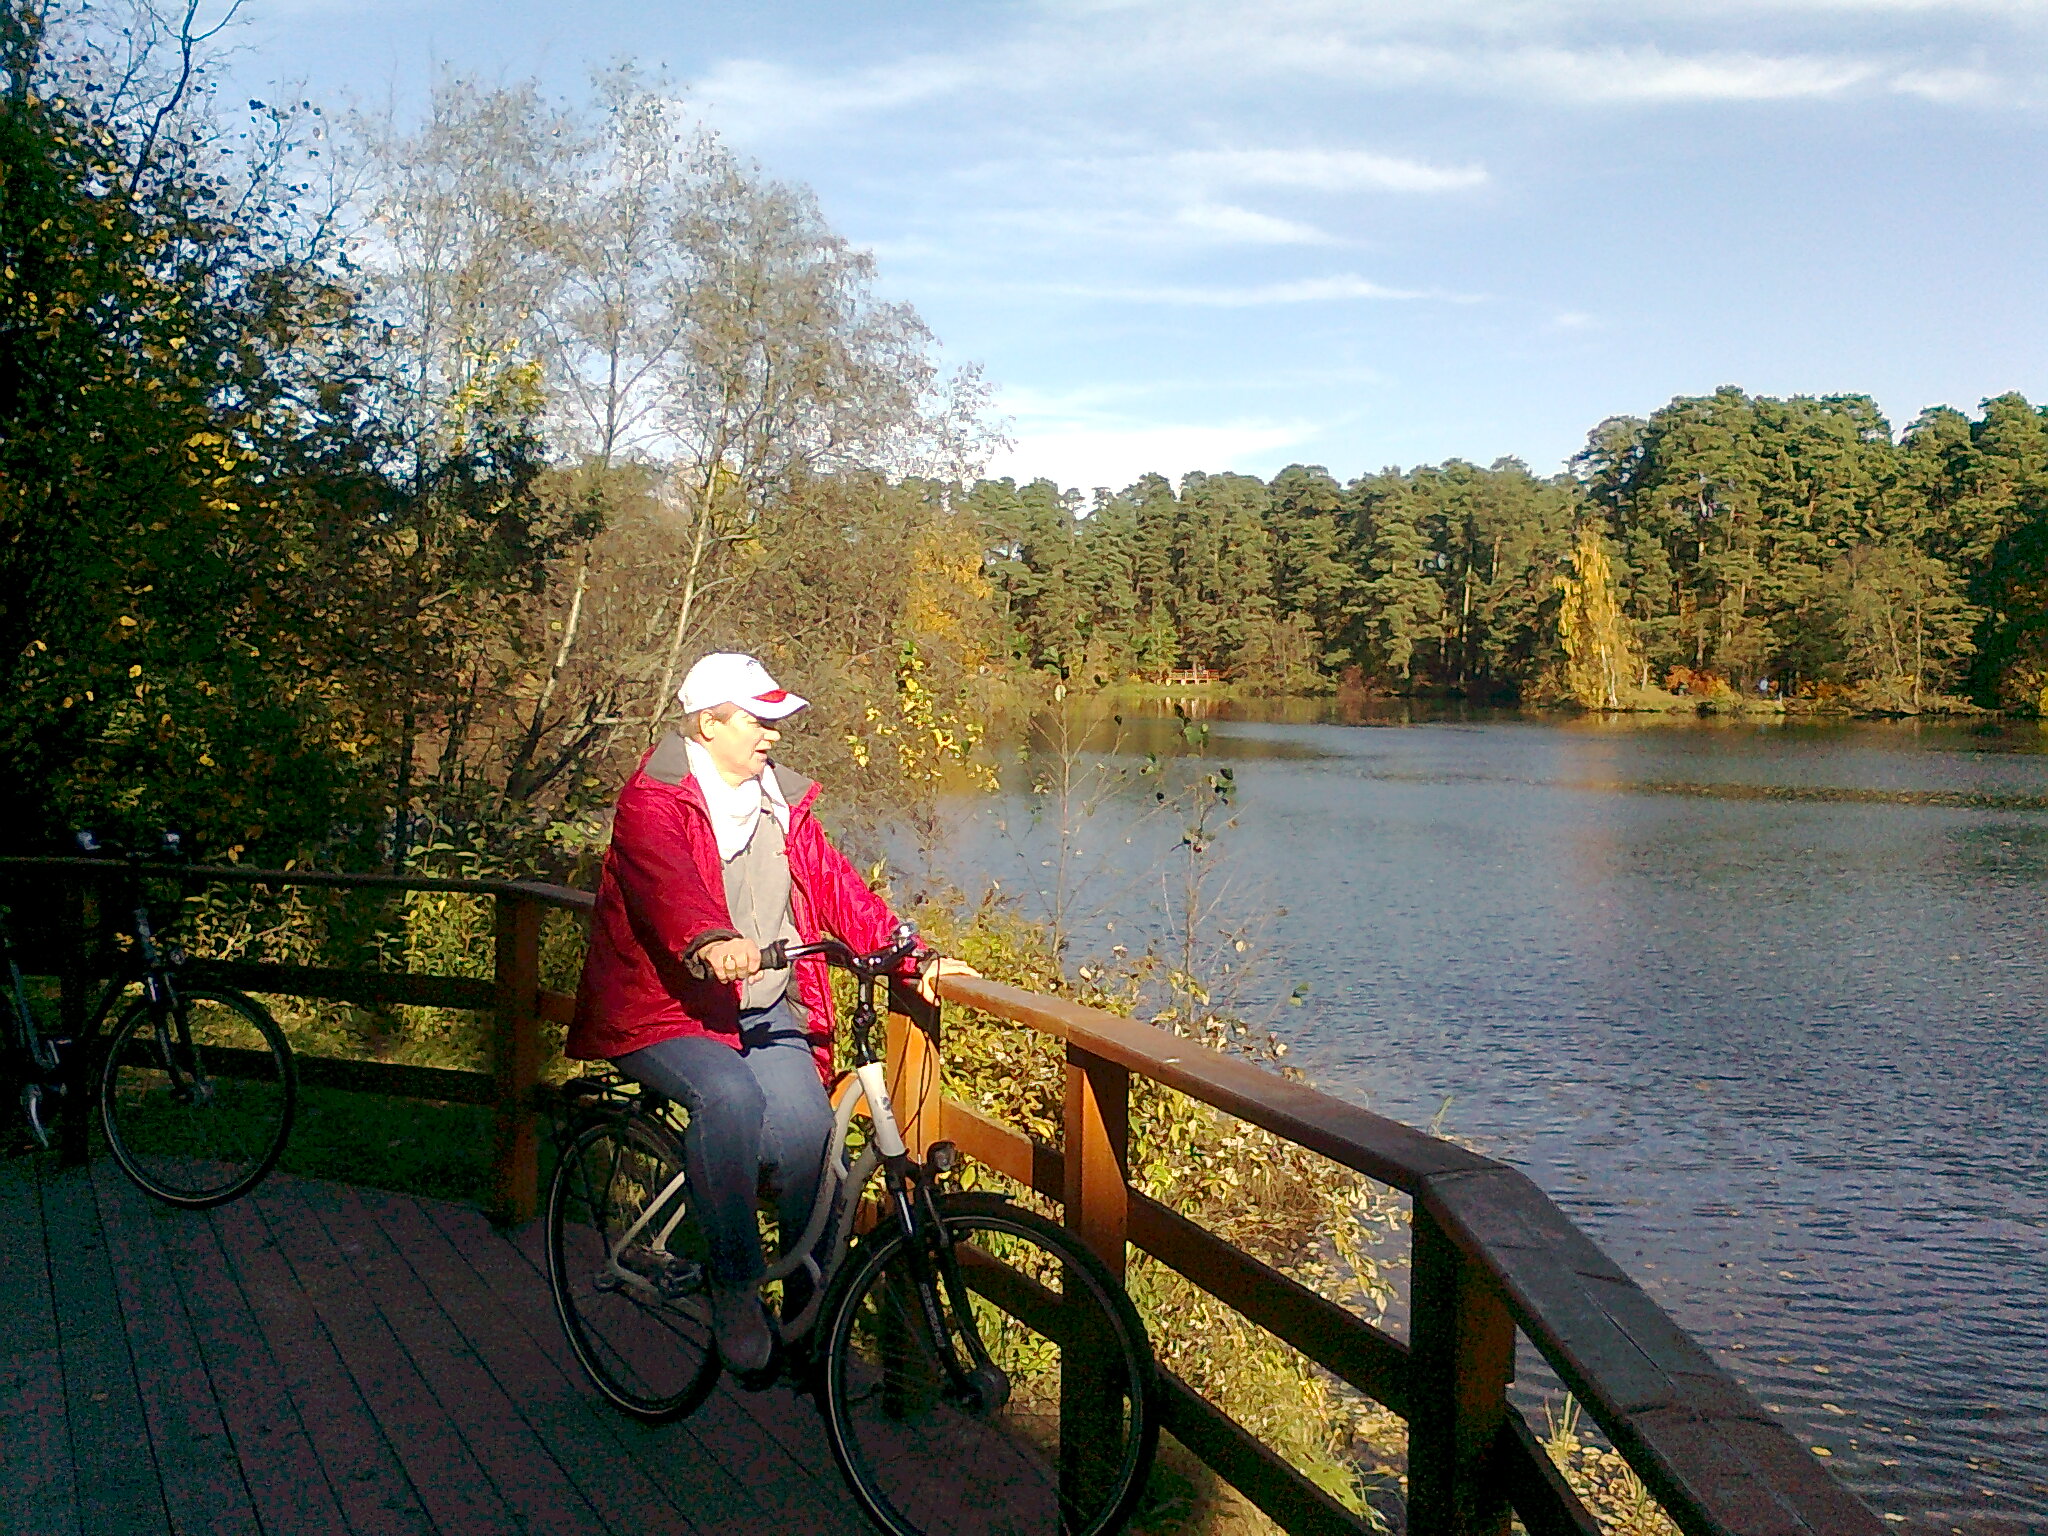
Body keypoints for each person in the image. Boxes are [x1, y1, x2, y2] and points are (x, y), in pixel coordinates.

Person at [568, 652, 976, 1375]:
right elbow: (668, 886)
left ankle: (807, 1323)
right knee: (728, 1097)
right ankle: (734, 1288)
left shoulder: (780, 801)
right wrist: (712, 939)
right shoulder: (654, 802)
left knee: (810, 1137)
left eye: (775, 721)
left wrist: (913, 956)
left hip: (760, 1013)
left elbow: (836, 887)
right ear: (709, 724)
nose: (773, 735)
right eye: (759, 721)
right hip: (663, 1012)